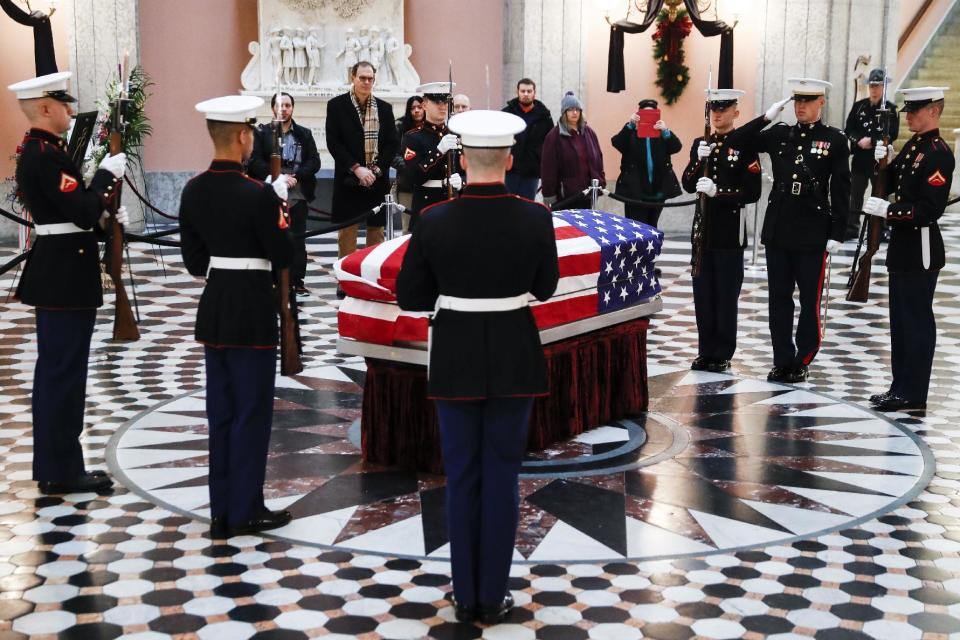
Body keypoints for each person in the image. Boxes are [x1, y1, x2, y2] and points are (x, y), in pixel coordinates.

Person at [396, 110, 559, 626]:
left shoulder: (434, 220)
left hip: (456, 357)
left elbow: (412, 294)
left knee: (462, 476)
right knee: (502, 476)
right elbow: (547, 287)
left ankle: (465, 596)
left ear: (463, 160)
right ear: (510, 160)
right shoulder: (534, 217)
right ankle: (493, 594)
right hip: (513, 354)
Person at [8, 71, 128, 495]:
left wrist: (105, 215)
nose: (71, 111)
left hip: (62, 269)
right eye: (64, 104)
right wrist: (104, 179)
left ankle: (59, 465)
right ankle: (60, 471)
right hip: (63, 276)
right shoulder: (45, 155)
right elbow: (77, 208)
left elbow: (72, 212)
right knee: (62, 375)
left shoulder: (45, 151)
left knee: (61, 373)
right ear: (45, 107)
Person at [179, 95, 294, 538]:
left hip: (215, 306)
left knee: (221, 412)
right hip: (250, 309)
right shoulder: (257, 194)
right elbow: (283, 254)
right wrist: (279, 208)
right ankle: (247, 508)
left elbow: (193, 262)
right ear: (244, 136)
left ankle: (222, 509)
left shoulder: (192, 190)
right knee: (251, 411)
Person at [726, 78, 851, 383]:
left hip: (812, 230)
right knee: (779, 298)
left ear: (821, 103)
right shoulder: (779, 134)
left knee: (810, 299)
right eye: (797, 102)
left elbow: (842, 189)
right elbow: (737, 141)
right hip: (779, 228)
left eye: (808, 102)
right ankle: (782, 358)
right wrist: (766, 117)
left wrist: (837, 232)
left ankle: (803, 357)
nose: (801, 107)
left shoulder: (834, 140)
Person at [863, 87, 953, 412]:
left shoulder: (939, 153)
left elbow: (930, 209)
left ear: (934, 111)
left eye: (915, 110)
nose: (909, 115)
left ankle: (914, 392)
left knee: (916, 321)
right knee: (900, 322)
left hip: (922, 248)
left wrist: (889, 212)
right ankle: (899, 386)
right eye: (909, 110)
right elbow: (891, 183)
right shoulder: (914, 146)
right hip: (902, 247)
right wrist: (881, 163)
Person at [680, 89, 762, 373]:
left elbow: (752, 192)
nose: (718, 113)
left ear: (735, 113)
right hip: (703, 232)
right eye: (714, 108)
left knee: (726, 295)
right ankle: (705, 350)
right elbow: (687, 184)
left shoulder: (744, 145)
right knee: (703, 294)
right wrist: (695, 161)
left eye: (724, 109)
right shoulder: (700, 143)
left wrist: (719, 192)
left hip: (729, 230)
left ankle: (723, 351)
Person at [325, 61, 399, 265]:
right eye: (362, 78)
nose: (367, 82)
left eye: (370, 78)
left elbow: (392, 143)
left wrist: (375, 170)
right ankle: (346, 277)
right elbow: (334, 143)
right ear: (353, 78)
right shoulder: (336, 106)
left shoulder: (384, 108)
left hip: (377, 179)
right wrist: (357, 169)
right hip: (349, 179)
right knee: (347, 233)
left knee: (377, 232)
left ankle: (372, 275)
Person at [248, 92, 321, 295]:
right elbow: (254, 161)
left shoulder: (304, 134)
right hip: (270, 193)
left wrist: (297, 175)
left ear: (292, 108)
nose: (284, 109)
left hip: (297, 195)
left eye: (288, 105)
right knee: (270, 238)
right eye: (280, 105)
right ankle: (272, 280)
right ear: (273, 108)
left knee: (297, 240)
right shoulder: (262, 133)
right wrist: (278, 176)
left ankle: (297, 280)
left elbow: (314, 161)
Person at [844, 68, 899, 240]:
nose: (874, 89)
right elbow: (849, 129)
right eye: (872, 86)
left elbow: (893, 133)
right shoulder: (859, 106)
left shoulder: (890, 109)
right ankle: (852, 226)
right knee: (855, 194)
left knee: (879, 193)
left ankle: (880, 228)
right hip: (860, 158)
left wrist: (873, 141)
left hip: (878, 159)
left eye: (877, 86)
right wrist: (858, 140)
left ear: (883, 87)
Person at [611, 98, 683, 227]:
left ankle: (652, 248)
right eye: (645, 114)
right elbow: (617, 143)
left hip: (657, 192)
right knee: (636, 229)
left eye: (652, 114)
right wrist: (630, 125)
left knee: (652, 227)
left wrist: (666, 131)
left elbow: (676, 147)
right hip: (635, 192)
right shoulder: (631, 133)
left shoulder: (662, 134)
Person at [401, 81, 462, 228]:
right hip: (427, 204)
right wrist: (438, 151)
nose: (442, 106)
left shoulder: (456, 134)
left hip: (453, 203)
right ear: (425, 104)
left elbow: (468, 168)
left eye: (445, 101)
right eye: (436, 101)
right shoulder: (413, 137)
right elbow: (414, 176)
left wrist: (462, 182)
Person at [540, 91, 605, 209]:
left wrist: (600, 180)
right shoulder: (553, 136)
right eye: (570, 109)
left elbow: (598, 158)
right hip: (565, 197)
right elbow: (548, 169)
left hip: (588, 193)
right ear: (564, 112)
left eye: (577, 109)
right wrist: (549, 195)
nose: (575, 112)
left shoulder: (589, 132)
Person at [502, 78, 552, 199]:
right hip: (509, 170)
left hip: (532, 172)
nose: (526, 94)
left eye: (529, 91)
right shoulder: (506, 113)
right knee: (506, 206)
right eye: (523, 91)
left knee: (527, 207)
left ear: (534, 93)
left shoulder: (544, 117)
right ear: (517, 92)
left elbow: (550, 144)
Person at [393, 94, 424, 230]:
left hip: (427, 183)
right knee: (408, 227)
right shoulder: (400, 126)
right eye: (413, 108)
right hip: (407, 184)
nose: (416, 110)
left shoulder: (433, 127)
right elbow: (392, 154)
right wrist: (409, 168)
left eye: (419, 107)